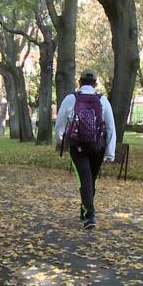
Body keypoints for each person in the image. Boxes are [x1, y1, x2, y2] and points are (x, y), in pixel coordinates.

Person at [55, 69, 116, 230]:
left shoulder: (70, 99)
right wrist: (110, 153)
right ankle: (86, 211)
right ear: (95, 84)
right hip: (98, 147)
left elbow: (60, 123)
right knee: (91, 179)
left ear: (79, 82)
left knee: (85, 178)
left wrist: (61, 140)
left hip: (78, 146)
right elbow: (110, 128)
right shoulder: (103, 101)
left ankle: (90, 215)